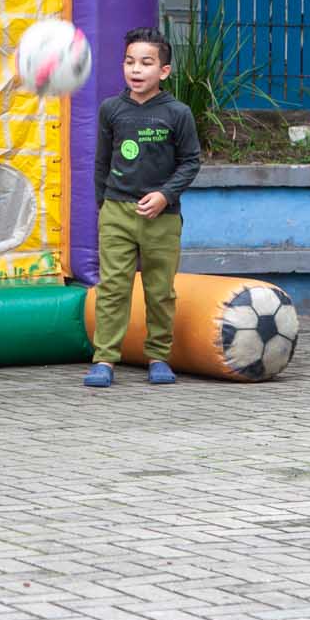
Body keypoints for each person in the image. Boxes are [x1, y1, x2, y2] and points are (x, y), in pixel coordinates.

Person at [85, 26, 202, 388]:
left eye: (146, 63)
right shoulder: (111, 110)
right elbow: (102, 162)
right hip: (116, 212)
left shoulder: (178, 113)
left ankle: (158, 357)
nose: (136, 69)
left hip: (162, 218)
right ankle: (105, 359)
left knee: (160, 291)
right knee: (112, 288)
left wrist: (165, 195)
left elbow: (191, 162)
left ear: (164, 71)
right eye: (129, 62)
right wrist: (105, 205)